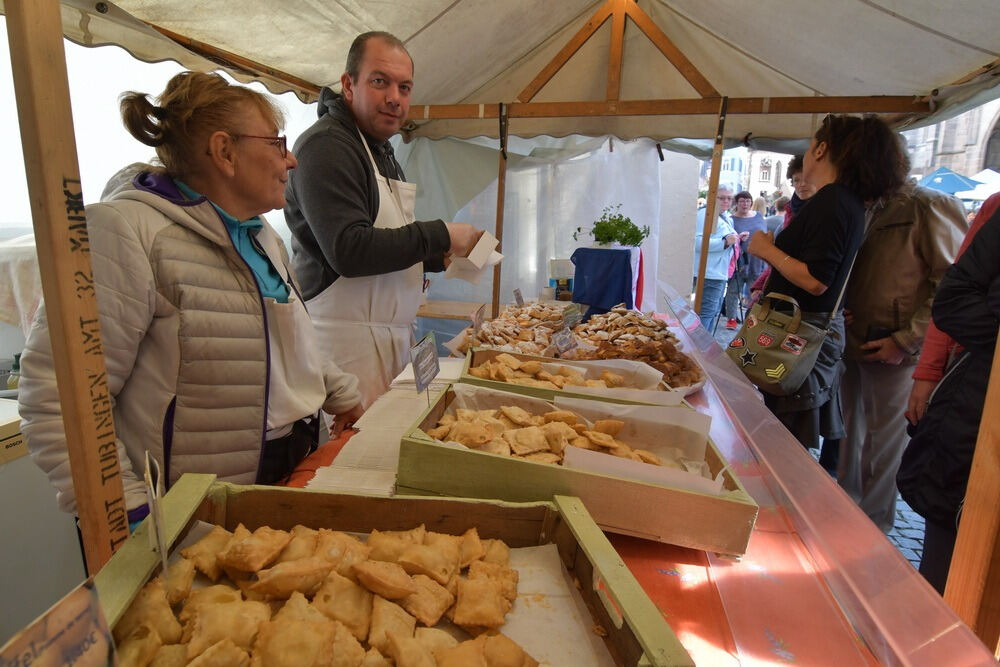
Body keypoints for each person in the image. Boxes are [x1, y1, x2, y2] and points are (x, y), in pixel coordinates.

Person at [18, 72, 363, 520]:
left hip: (290, 470)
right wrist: (133, 512)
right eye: (277, 144)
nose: (291, 160)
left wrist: (340, 393)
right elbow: (59, 400)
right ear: (224, 152)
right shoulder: (124, 232)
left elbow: (287, 342)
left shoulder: (261, 236)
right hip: (191, 511)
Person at [284, 32, 483, 408]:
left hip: (389, 340)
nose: (395, 97)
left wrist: (433, 259)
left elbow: (384, 237)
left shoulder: (380, 149)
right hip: (344, 348)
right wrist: (439, 234)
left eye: (404, 87)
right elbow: (349, 249)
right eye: (380, 82)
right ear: (348, 84)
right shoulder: (327, 146)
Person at [746, 114, 908, 453]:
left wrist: (766, 249)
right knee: (780, 438)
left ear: (821, 149)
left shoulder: (834, 201)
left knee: (780, 443)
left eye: (809, 146)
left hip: (795, 338)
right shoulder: (845, 202)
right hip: (801, 334)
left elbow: (816, 280)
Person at [837, 168, 967, 533]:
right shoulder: (867, 206)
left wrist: (907, 339)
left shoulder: (929, 205)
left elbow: (952, 285)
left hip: (895, 348)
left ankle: (871, 530)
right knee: (851, 435)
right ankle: (845, 518)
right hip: (857, 341)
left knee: (883, 447)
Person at [896, 205, 1000, 594]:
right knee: (946, 563)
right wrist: (927, 371)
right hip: (974, 413)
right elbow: (953, 295)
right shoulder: (995, 207)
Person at [749, 157, 818, 303]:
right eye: (796, 180)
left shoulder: (823, 213)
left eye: (807, 179)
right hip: (782, 294)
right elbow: (780, 259)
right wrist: (760, 285)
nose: (802, 185)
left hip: (807, 299)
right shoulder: (792, 213)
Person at [693, 184, 739, 331]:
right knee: (706, 314)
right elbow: (697, 242)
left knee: (711, 313)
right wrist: (725, 242)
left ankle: (704, 348)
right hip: (709, 273)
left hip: (717, 272)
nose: (726, 201)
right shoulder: (706, 215)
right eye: (722, 198)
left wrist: (735, 239)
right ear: (712, 198)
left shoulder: (723, 217)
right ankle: (701, 350)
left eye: (729, 198)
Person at [724, 191, 767, 328]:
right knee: (733, 291)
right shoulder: (730, 219)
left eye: (748, 201)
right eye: (742, 201)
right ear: (736, 203)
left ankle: (751, 321)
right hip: (738, 261)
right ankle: (731, 319)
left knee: (753, 293)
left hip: (756, 261)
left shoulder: (758, 217)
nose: (745, 204)